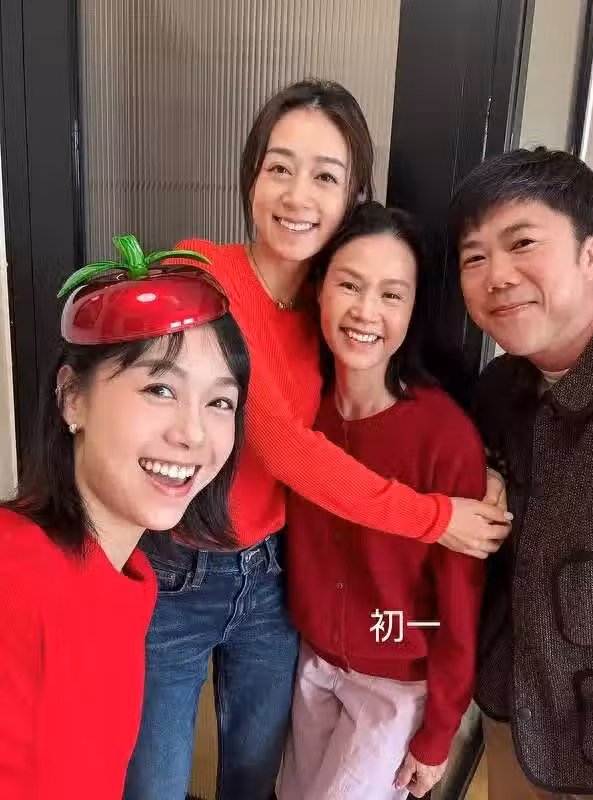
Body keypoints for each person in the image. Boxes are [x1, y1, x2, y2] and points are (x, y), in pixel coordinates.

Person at [124, 79, 510, 800]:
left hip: (276, 581)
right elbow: (284, 446)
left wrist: (479, 462)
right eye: (279, 167)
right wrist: (437, 515)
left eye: (325, 176)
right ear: (251, 177)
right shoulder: (204, 273)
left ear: (352, 195)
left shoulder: (328, 310)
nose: (298, 195)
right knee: (155, 783)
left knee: (253, 779)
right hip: (183, 570)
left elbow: (389, 410)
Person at [0, 235, 249, 799]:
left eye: (220, 402)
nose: (193, 433)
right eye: (160, 388)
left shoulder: (132, 578)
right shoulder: (15, 580)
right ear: (73, 397)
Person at [277, 202, 486, 800]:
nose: (366, 311)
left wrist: (438, 731)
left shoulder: (444, 437)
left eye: (392, 294)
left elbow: (459, 606)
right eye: (349, 285)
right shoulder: (296, 410)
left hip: (396, 687)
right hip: (311, 663)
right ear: (318, 288)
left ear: (414, 309)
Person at [450, 146, 593, 799]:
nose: (497, 276)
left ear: (591, 252)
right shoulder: (497, 390)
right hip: (512, 720)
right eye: (474, 257)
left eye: (522, 242)